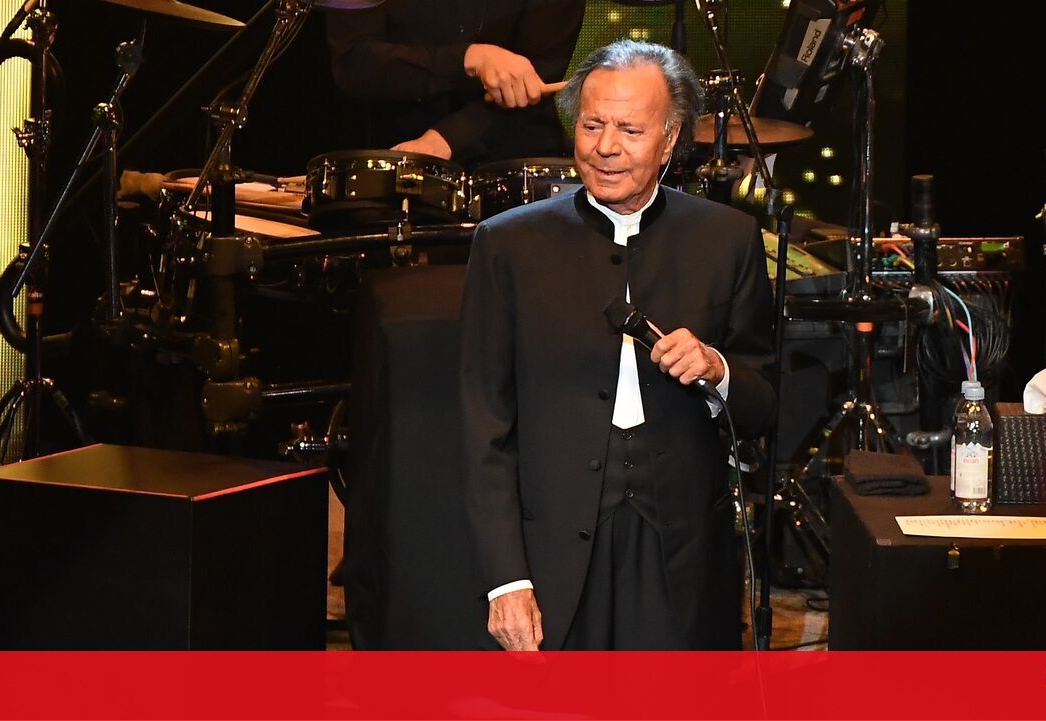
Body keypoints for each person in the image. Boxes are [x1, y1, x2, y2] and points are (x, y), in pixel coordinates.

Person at [459, 40, 776, 651]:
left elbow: (765, 404)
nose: (605, 147)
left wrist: (717, 370)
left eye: (629, 130)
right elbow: (482, 425)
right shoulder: (507, 245)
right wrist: (505, 580)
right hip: (550, 557)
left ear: (670, 138)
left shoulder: (728, 239)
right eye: (591, 125)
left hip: (685, 558)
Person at [324, 1, 585, 164]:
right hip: (388, 154)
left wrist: (444, 139)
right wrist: (467, 59)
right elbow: (353, 63)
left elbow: (534, 81)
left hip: (511, 157)